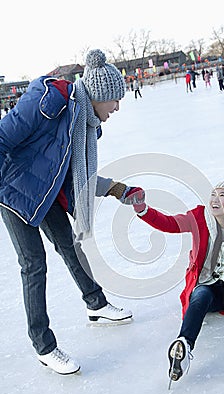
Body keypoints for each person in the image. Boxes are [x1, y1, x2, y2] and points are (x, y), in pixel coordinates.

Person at [0, 49, 145, 375]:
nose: (117, 107)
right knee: (33, 264)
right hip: (13, 190)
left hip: (44, 191)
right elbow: (2, 138)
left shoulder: (86, 126)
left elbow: (77, 175)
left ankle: (96, 305)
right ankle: (44, 346)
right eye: (115, 101)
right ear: (100, 95)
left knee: (69, 244)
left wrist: (117, 189)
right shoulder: (49, 99)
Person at [132, 179, 224, 382]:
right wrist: (142, 209)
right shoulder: (198, 218)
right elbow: (169, 223)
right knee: (200, 293)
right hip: (210, 289)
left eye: (222, 196)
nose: (214, 199)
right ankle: (184, 345)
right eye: (213, 194)